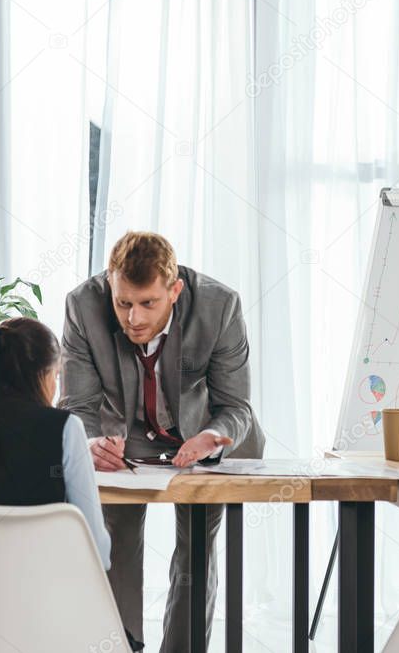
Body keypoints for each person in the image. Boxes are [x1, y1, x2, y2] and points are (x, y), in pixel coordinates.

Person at [59, 231, 265, 651]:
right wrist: (90, 441)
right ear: (110, 286)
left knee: (197, 550)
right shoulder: (82, 305)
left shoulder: (219, 306)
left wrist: (210, 438)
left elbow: (236, 406)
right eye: (123, 303)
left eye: (147, 303)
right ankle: (122, 645)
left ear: (174, 290)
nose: (133, 318)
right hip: (123, 440)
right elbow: (77, 404)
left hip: (203, 439)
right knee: (115, 543)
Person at [0, 317, 111, 568]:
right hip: (45, 597)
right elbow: (96, 549)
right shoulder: (66, 428)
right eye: (56, 377)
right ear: (44, 374)